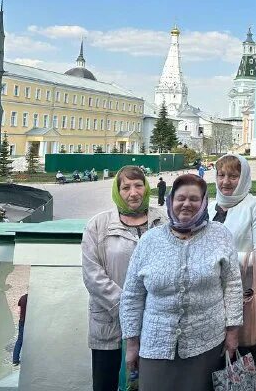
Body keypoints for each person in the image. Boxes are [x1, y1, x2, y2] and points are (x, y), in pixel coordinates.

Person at [120, 174, 243, 391]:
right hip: (155, 345)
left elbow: (232, 285)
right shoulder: (150, 240)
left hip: (207, 344)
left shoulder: (220, 235)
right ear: (171, 201)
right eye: (181, 198)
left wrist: (233, 332)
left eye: (194, 199)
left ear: (203, 202)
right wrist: (131, 343)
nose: (186, 204)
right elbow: (132, 295)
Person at [81, 166, 167, 391]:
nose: (133, 193)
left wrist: (150, 310)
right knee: (107, 383)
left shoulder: (164, 222)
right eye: (126, 187)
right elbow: (93, 275)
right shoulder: (98, 225)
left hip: (154, 324)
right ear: (117, 191)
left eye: (138, 185)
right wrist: (129, 310)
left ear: (146, 187)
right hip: (110, 326)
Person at [213, 153, 256, 371]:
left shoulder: (255, 206)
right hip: (211, 303)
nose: (225, 181)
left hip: (245, 300)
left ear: (244, 177)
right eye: (221, 175)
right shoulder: (209, 207)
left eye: (233, 176)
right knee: (214, 368)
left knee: (245, 368)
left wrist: (225, 258)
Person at [12, 294, 27, 366]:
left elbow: (19, 311)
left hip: (22, 321)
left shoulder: (23, 297)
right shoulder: (34, 299)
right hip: (30, 322)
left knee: (20, 340)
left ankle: (15, 360)